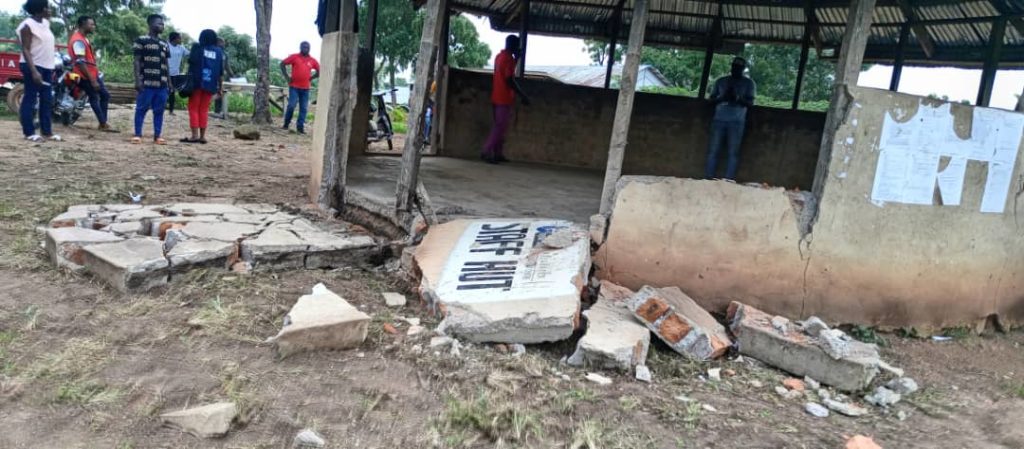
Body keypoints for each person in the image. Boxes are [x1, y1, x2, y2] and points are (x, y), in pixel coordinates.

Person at [704, 56, 756, 180]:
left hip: (737, 121)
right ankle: (708, 178)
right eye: (734, 66)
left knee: (733, 152)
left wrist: (737, 98)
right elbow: (711, 100)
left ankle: (728, 179)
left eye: (739, 67)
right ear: (731, 67)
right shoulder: (721, 81)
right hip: (719, 120)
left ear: (743, 69)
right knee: (713, 150)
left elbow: (751, 104)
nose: (736, 69)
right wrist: (722, 98)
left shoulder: (749, 83)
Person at [16, 0, 59, 142]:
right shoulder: (27, 26)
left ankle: (47, 132)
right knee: (30, 97)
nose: (50, 10)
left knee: (47, 99)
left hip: (46, 66)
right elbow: (26, 49)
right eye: (47, 7)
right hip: (32, 66)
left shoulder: (46, 23)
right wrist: (34, 71)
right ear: (39, 9)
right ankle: (29, 132)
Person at [482, 34, 529, 164]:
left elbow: (506, 72)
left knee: (501, 126)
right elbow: (509, 79)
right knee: (500, 126)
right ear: (513, 45)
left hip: (496, 96)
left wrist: (517, 59)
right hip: (503, 97)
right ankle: (486, 151)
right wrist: (522, 94)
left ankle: (497, 153)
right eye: (517, 45)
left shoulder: (499, 57)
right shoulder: (507, 59)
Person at [69, 16, 116, 132]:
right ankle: (103, 123)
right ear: (83, 25)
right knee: (94, 96)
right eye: (91, 24)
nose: (93, 27)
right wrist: (92, 80)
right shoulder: (78, 41)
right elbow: (80, 62)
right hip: (85, 75)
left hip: (92, 74)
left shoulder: (84, 39)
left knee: (104, 95)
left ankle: (103, 122)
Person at [132, 14, 171, 144]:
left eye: (163, 24)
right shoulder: (141, 40)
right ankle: (138, 134)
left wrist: (169, 83)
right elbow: (136, 61)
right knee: (141, 109)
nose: (162, 26)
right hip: (146, 82)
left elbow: (166, 64)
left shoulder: (164, 43)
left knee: (159, 111)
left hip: (162, 83)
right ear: (151, 24)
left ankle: (157, 136)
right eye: (159, 23)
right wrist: (138, 80)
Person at [182, 29, 224, 144]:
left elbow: (191, 62)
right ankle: (202, 136)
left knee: (193, 108)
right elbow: (220, 71)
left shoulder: (197, 47)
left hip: (196, 82)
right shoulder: (219, 51)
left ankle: (194, 135)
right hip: (211, 84)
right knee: (204, 109)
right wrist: (220, 87)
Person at [280, 41, 319, 134]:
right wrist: (286, 77)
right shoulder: (294, 57)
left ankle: (300, 127)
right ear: (300, 48)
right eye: (304, 47)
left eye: (307, 47)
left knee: (304, 108)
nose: (306, 49)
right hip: (294, 87)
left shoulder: (312, 60)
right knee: (291, 105)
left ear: (309, 48)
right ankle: (286, 123)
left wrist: (311, 78)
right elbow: (282, 64)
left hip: (305, 88)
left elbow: (319, 71)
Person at [166, 32, 188, 115]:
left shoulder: (181, 48)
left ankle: (171, 110)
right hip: (165, 72)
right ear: (175, 39)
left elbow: (189, 54)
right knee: (162, 91)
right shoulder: (166, 46)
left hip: (175, 74)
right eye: (179, 38)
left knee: (172, 92)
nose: (181, 39)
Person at [212, 37, 233, 119]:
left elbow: (227, 67)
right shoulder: (212, 51)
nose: (224, 44)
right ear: (217, 43)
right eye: (222, 42)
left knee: (219, 92)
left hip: (220, 77)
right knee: (210, 93)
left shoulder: (225, 54)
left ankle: (218, 111)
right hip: (211, 76)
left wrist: (233, 76)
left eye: (224, 43)